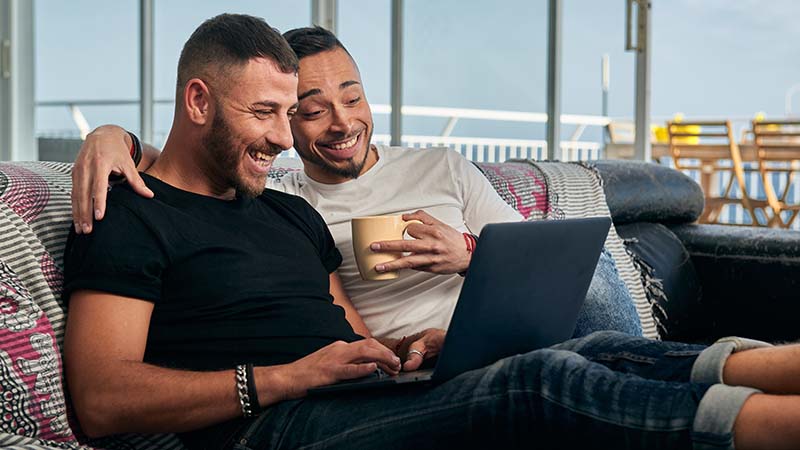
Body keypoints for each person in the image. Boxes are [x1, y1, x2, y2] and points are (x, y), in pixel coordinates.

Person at [63, 13, 800, 450]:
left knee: (597, 350)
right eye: (272, 116)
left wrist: (422, 352)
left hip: (355, 399)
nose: (284, 139)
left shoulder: (286, 213)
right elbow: (99, 401)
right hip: (273, 429)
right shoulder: (128, 213)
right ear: (198, 100)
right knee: (541, 382)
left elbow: (351, 339)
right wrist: (286, 378)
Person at [70, 27, 642, 340]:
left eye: (353, 97)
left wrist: (468, 252)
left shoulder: (441, 165)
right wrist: (110, 136)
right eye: (314, 111)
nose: (344, 123)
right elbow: (197, 155)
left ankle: (640, 364)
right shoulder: (285, 200)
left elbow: (542, 263)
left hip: (515, 329)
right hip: (425, 361)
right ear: (286, 121)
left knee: (593, 269)